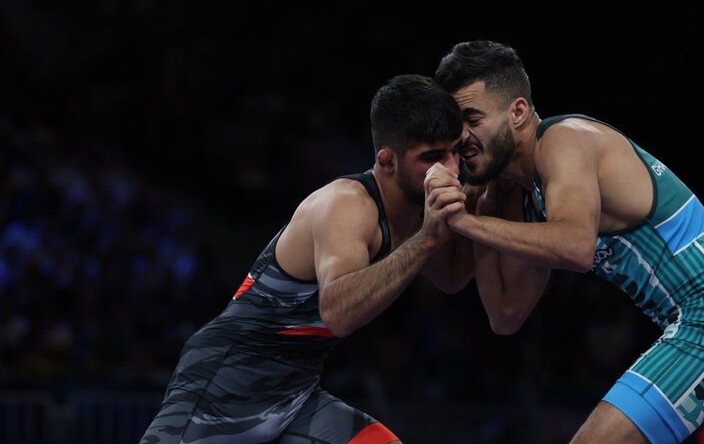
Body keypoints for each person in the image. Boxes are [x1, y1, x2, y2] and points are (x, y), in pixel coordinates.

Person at [140, 74, 472, 444]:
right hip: (225, 381)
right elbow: (338, 313)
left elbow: (455, 278)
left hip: (295, 392)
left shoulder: (417, 205)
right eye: (433, 157)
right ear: (387, 160)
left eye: (456, 152)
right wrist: (427, 240)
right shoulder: (346, 204)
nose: (451, 170)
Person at [426, 39, 704, 444]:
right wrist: (478, 211)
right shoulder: (524, 197)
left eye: (472, 119)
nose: (461, 137)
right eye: (453, 126)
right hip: (694, 320)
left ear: (518, 112)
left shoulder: (565, 140)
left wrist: (462, 222)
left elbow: (576, 247)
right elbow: (506, 313)